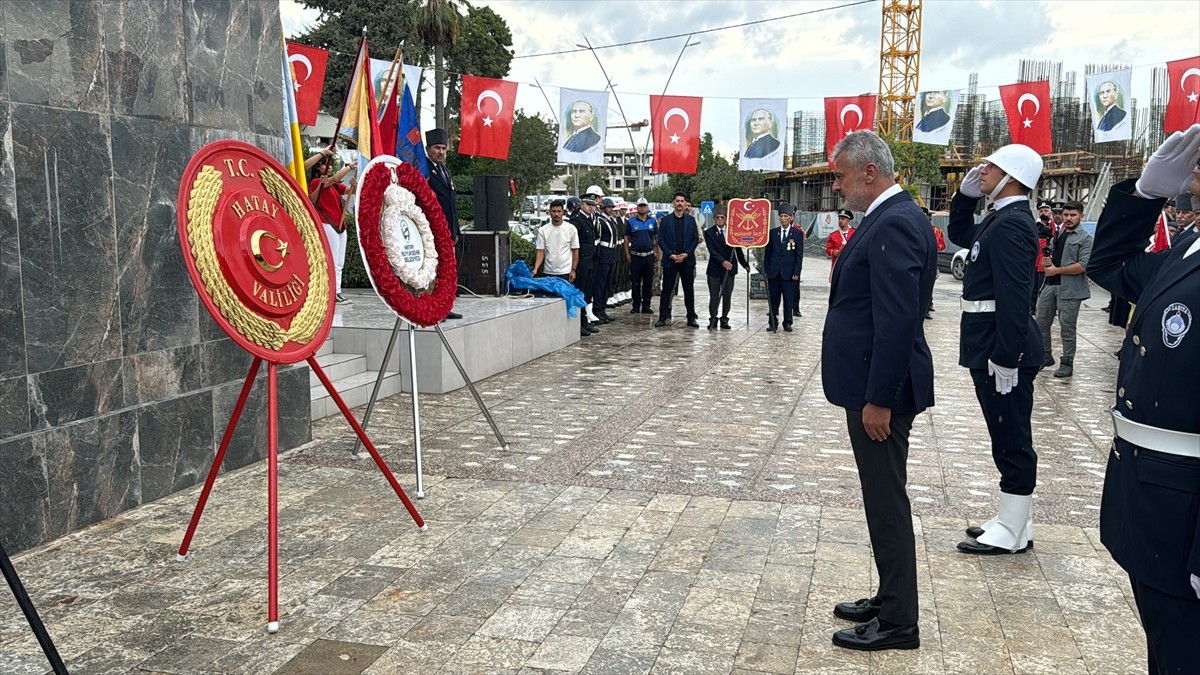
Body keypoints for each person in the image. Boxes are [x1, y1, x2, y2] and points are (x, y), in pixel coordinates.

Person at [1086, 123, 1200, 674]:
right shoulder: (1187, 249)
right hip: (1151, 492)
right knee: (1166, 646)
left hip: (1187, 510)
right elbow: (1109, 266)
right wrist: (1143, 196)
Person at [822, 130, 936, 652]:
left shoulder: (895, 221)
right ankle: (891, 597)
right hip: (871, 384)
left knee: (887, 502)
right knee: (880, 498)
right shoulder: (888, 216)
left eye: (841, 176)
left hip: (880, 392)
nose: (837, 187)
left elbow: (897, 320)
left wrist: (880, 399)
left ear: (869, 172)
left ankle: (898, 622)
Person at [948, 143, 1045, 555]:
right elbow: (960, 236)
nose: (982, 170)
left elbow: (1016, 296)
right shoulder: (1000, 218)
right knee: (1003, 432)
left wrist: (1007, 356)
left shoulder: (1013, 223)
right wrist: (964, 198)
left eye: (991, 165)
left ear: (1013, 176)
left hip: (1000, 346)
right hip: (987, 339)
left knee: (1011, 436)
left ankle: (1013, 528)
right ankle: (1014, 519)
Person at [1035, 200, 1093, 378]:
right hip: (1049, 284)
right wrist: (1047, 262)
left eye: (1073, 215)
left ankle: (1067, 362)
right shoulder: (1058, 235)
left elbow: (1083, 265)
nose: (1068, 218)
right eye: (1066, 215)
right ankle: (1044, 356)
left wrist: (1056, 270)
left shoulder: (1086, 239)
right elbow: (1052, 257)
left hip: (1070, 289)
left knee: (1067, 328)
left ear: (1081, 216)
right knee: (1040, 322)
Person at [308, 150, 356, 304]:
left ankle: (337, 291)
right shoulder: (317, 182)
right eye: (324, 165)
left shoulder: (334, 185)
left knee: (339, 262)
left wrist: (354, 186)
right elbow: (314, 197)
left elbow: (348, 190)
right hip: (327, 223)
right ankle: (332, 292)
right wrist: (349, 167)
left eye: (329, 165)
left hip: (339, 224)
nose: (328, 167)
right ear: (318, 168)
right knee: (333, 260)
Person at [426, 128, 462, 319]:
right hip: (431, 231)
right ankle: (433, 306)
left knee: (447, 271)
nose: (441, 152)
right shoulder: (424, 169)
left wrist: (455, 230)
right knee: (434, 272)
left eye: (443, 148)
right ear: (428, 149)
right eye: (437, 148)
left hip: (448, 231)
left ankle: (445, 306)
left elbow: (451, 204)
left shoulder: (445, 171)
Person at [655, 192, 700, 328]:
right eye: (677, 201)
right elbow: (661, 240)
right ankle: (663, 317)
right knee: (667, 290)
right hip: (671, 260)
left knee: (688, 290)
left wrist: (687, 253)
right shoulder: (665, 220)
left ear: (685, 203)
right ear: (673, 203)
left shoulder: (691, 221)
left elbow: (695, 239)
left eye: (682, 201)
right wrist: (670, 254)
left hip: (687, 260)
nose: (680, 203)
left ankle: (691, 317)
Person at [703, 205, 749, 330]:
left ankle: (724, 319)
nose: (720, 219)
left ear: (726, 218)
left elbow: (738, 250)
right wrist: (722, 261)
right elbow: (712, 250)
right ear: (714, 219)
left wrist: (744, 264)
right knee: (714, 296)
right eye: (717, 217)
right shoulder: (709, 232)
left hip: (730, 269)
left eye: (722, 217)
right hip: (715, 269)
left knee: (727, 295)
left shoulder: (733, 231)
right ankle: (713, 319)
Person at [763, 203, 804, 332]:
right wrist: (766, 270)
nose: (783, 218)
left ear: (791, 218)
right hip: (774, 272)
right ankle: (772, 322)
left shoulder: (797, 234)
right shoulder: (773, 233)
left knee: (788, 298)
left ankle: (787, 322)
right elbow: (768, 253)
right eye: (781, 216)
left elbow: (799, 255)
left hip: (789, 272)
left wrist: (797, 272)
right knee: (773, 298)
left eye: (786, 216)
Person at [569, 191, 602, 335]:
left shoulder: (588, 219)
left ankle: (584, 320)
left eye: (593, 205)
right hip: (581, 262)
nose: (591, 207)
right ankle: (579, 323)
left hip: (590, 261)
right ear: (581, 204)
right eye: (588, 204)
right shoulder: (577, 220)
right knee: (580, 291)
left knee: (586, 293)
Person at [624, 198, 657, 315]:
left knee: (648, 282)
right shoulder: (631, 222)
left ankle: (647, 306)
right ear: (637, 208)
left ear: (647, 207)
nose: (642, 208)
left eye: (644, 206)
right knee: (635, 282)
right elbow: (626, 239)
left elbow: (657, 238)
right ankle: (636, 306)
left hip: (649, 256)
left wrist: (658, 252)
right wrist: (627, 253)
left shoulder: (653, 221)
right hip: (636, 256)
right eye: (640, 206)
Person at [532, 199, 579, 282]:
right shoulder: (543, 230)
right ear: (549, 212)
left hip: (566, 273)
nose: (556, 214)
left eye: (559, 211)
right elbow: (540, 251)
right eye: (553, 211)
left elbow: (575, 251)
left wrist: (573, 270)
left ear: (563, 212)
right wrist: (536, 268)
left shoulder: (571, 229)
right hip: (548, 272)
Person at [593, 197, 622, 324]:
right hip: (603, 253)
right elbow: (597, 239)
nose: (611, 209)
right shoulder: (600, 220)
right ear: (603, 208)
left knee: (607, 283)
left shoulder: (611, 221)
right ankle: (597, 309)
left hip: (611, 253)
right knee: (601, 283)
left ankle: (602, 309)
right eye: (609, 207)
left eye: (612, 207)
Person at [1032, 201, 1057, 314]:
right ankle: (1033, 307)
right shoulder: (1035, 226)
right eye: (1041, 211)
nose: (1043, 212)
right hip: (1037, 261)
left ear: (1050, 212)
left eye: (1046, 210)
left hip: (1051, 261)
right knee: (1035, 286)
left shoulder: (1055, 227)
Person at [925, 206, 946, 320]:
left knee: (929, 284)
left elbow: (942, 245)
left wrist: (935, 246)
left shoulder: (937, 231)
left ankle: (928, 306)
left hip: (932, 259)